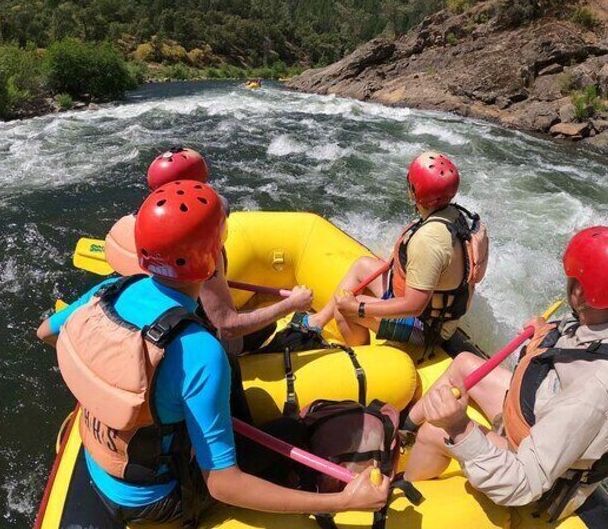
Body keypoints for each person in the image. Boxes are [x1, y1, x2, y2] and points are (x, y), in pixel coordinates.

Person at [36, 181, 389, 525]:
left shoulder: (108, 290)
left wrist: (116, 387)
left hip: (102, 464)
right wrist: (344, 501)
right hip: (158, 501)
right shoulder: (200, 352)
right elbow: (223, 485)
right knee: (292, 432)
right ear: (213, 261)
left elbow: (47, 332)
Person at [402, 226, 608, 521]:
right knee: (465, 363)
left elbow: (523, 483)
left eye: (573, 278)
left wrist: (459, 427)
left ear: (580, 291)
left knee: (435, 432)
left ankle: (406, 503)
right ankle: (402, 429)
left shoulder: (596, 390)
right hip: (544, 416)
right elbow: (578, 350)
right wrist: (546, 332)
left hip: (536, 477)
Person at [101, 146, 313, 355]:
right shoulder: (197, 251)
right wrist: (291, 304)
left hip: (140, 320)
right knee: (266, 328)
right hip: (188, 337)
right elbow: (228, 326)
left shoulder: (132, 226)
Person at [300, 152, 487, 351]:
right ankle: (318, 321)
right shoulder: (455, 216)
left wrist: (358, 308)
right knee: (363, 265)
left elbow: (414, 306)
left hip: (427, 327)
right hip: (430, 308)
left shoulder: (428, 241)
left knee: (346, 309)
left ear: (414, 192)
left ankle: (361, 355)